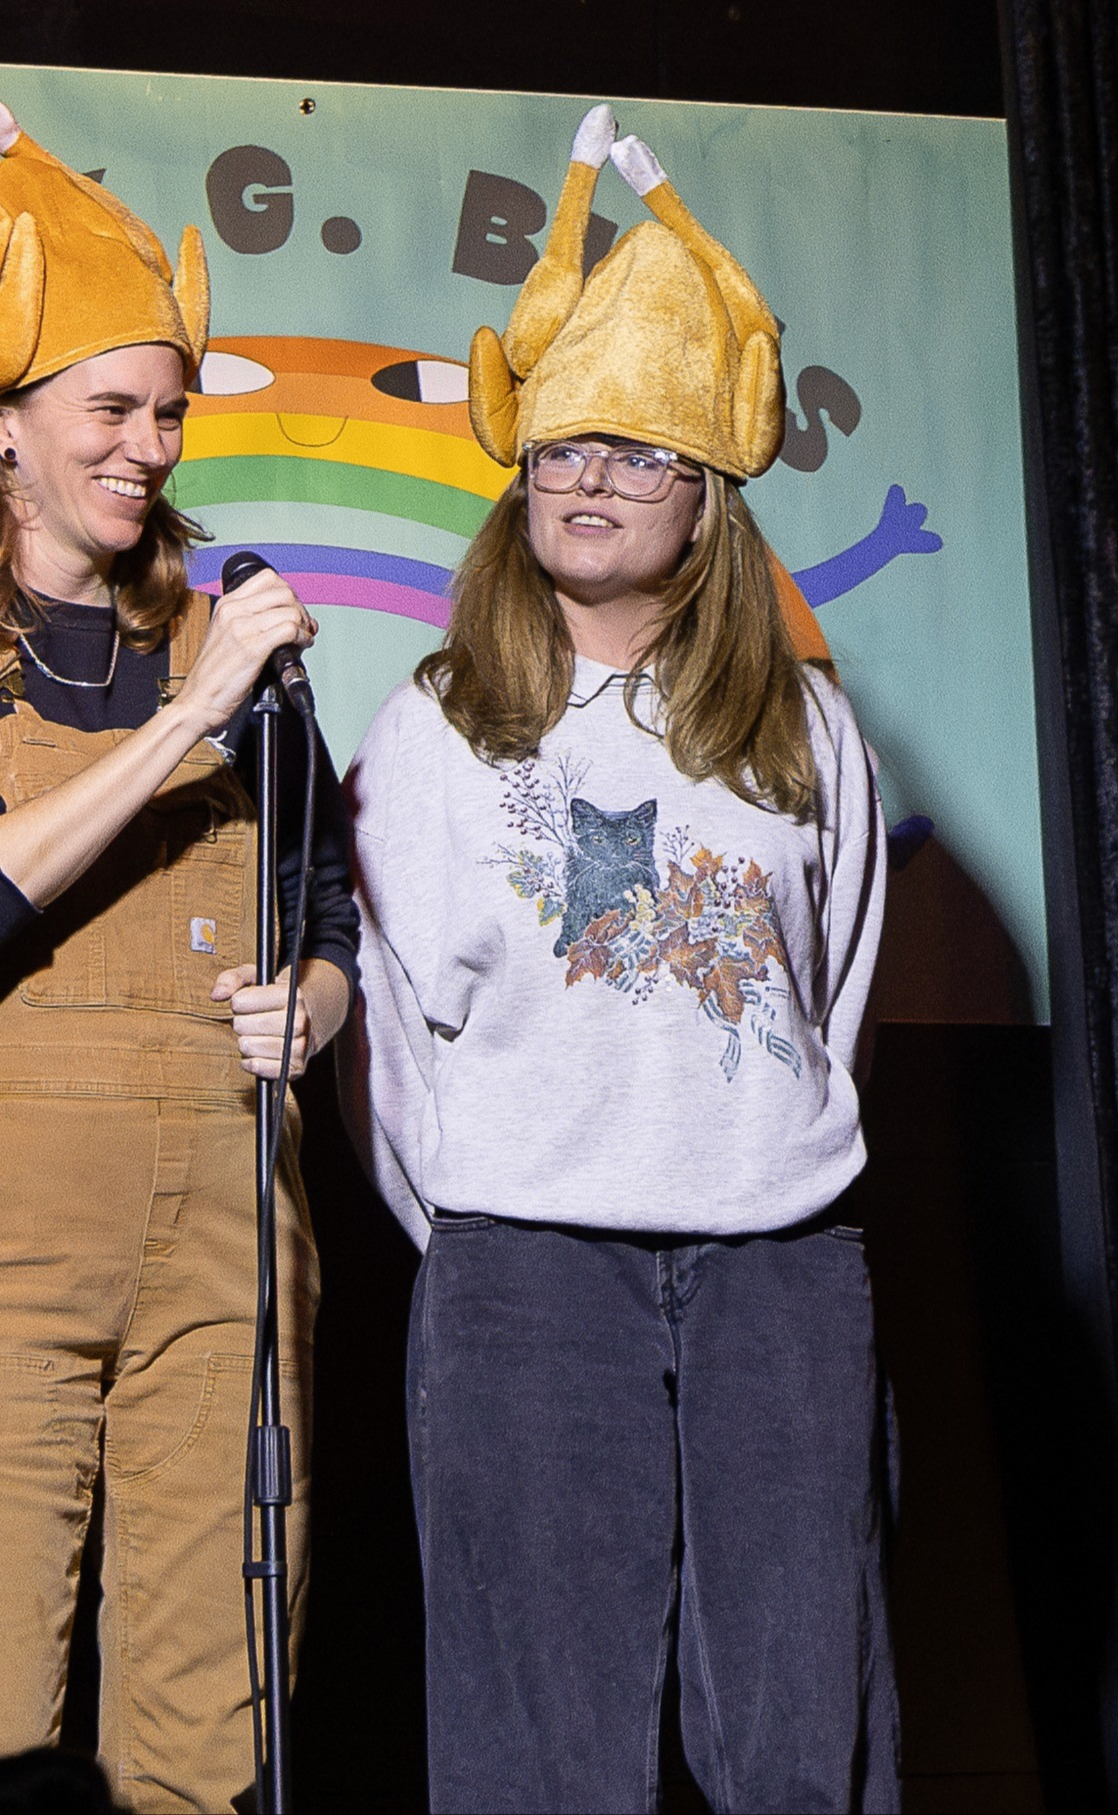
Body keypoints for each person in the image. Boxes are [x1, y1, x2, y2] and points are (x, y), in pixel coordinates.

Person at [339, 105, 895, 1813]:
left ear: (709, 496)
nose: (586, 481)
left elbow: (838, 974)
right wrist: (494, 1228)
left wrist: (755, 1162)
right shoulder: (438, 726)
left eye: (633, 454)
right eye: (560, 450)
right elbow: (400, 1019)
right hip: (524, 1270)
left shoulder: (800, 724)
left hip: (778, 1268)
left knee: (802, 1740)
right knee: (537, 1751)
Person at [0, 106, 357, 1807]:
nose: (147, 447)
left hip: (225, 1240)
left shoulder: (240, 639)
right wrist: (190, 722)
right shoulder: (210, 677)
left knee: (210, 1726)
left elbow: (331, 908)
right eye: (107, 411)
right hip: (7, 1252)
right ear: (9, 428)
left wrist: (324, 999)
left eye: (165, 412)